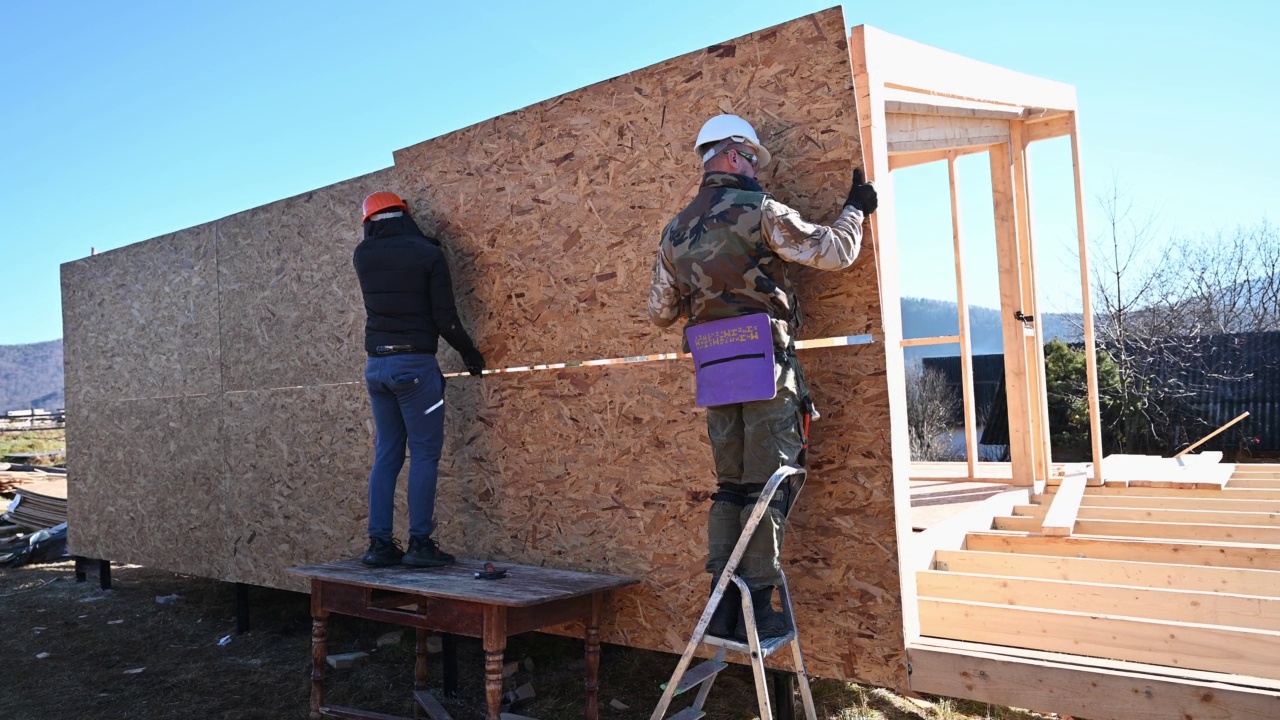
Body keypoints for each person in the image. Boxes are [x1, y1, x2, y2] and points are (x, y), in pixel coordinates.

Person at [647, 114, 877, 640]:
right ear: (731, 154)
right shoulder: (759, 211)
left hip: (715, 371)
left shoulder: (675, 229)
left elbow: (660, 312)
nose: (757, 171)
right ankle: (758, 609)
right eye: (752, 159)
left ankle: (722, 603)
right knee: (769, 485)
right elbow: (834, 252)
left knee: (730, 485)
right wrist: (855, 209)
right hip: (766, 368)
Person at [353, 191, 486, 568]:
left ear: (368, 223)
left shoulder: (362, 256)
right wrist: (468, 352)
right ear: (405, 215)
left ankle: (379, 545)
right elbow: (444, 316)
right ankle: (420, 544)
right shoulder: (426, 253)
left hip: (376, 367)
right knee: (425, 453)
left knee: (387, 455)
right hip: (414, 367)